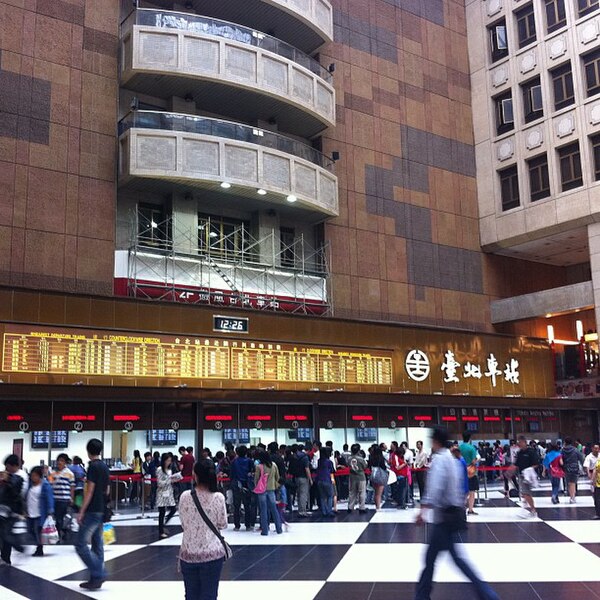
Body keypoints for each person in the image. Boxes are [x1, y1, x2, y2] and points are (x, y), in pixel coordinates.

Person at [415, 426, 499, 600]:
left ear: (435, 441)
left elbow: (435, 488)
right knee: (448, 559)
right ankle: (486, 594)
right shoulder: (452, 458)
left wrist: (423, 509)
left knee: (436, 559)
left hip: (444, 516)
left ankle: (487, 595)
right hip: (453, 513)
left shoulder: (439, 460)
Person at [178, 459, 228, 600]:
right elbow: (223, 524)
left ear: (195, 475)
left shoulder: (185, 496)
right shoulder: (218, 497)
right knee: (209, 595)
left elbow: (183, 523)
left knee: (191, 595)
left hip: (188, 553)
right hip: (211, 554)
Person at [75, 438, 110, 590]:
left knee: (80, 544)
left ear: (88, 451)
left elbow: (89, 491)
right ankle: (96, 578)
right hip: (101, 508)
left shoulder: (92, 467)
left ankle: (99, 572)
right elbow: (107, 490)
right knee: (97, 543)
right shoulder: (104, 466)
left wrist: (82, 510)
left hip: (92, 510)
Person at [0, 454, 25, 565]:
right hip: (1, 509)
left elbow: (16, 494)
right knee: (4, 534)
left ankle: (6, 558)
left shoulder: (18, 479)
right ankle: (5, 557)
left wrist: (7, 481)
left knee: (5, 534)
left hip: (11, 511)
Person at [26, 466, 54, 557]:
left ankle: (39, 548)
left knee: (37, 531)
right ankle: (39, 545)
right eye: (32, 476)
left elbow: (50, 498)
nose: (33, 478)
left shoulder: (45, 485)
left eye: (35, 476)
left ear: (39, 476)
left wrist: (50, 511)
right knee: (30, 530)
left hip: (39, 513)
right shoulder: (30, 485)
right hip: (30, 511)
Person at [509, 435, 539, 518]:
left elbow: (536, 464)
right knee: (524, 493)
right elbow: (516, 464)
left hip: (529, 476)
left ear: (525, 442)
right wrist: (509, 472)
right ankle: (526, 509)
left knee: (526, 493)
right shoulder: (519, 453)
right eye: (518, 442)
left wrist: (528, 470)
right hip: (522, 475)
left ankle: (533, 510)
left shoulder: (531, 452)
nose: (519, 444)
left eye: (520, 442)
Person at [254, 451, 282, 536]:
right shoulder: (274, 465)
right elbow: (278, 477)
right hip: (271, 489)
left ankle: (265, 530)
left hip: (262, 490)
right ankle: (279, 529)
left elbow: (256, 479)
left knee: (263, 510)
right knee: (274, 509)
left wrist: (257, 487)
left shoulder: (259, 467)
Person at [157, 453, 183, 539]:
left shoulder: (169, 470)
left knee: (173, 509)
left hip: (169, 492)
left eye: (170, 461)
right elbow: (159, 483)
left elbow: (169, 481)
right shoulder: (159, 470)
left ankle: (164, 524)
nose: (169, 462)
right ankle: (161, 530)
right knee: (162, 512)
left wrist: (174, 479)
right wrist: (169, 480)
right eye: (167, 460)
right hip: (161, 493)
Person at [50, 453, 75, 541]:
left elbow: (72, 487)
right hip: (55, 498)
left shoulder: (69, 473)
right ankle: (60, 532)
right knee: (57, 517)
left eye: (62, 461)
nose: (59, 462)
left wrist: (72, 498)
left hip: (64, 498)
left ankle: (61, 532)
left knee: (62, 518)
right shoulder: (53, 473)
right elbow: (50, 484)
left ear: (65, 462)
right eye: (58, 460)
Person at [230, 445, 254, 531]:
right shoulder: (250, 461)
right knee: (247, 505)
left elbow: (231, 475)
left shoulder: (234, 462)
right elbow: (253, 472)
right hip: (247, 484)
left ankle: (237, 525)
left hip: (236, 484)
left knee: (237, 506)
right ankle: (248, 525)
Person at [291, 444, 312, 517]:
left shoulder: (294, 456)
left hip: (296, 477)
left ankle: (300, 510)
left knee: (299, 494)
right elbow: (307, 469)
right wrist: (310, 479)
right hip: (303, 478)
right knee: (303, 494)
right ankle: (303, 511)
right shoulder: (305, 457)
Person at [561, 437, 584, 503]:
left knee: (568, 483)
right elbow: (581, 458)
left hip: (566, 468)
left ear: (565, 442)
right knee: (573, 483)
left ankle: (571, 496)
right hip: (575, 468)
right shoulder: (575, 450)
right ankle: (572, 497)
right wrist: (583, 466)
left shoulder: (562, 450)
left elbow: (560, 458)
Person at [315, 448, 335, 517]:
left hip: (319, 480)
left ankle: (324, 511)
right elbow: (332, 471)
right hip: (327, 479)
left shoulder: (319, 461)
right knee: (330, 496)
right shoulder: (329, 462)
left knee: (322, 497)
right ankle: (329, 511)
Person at [348, 443, 368, 513]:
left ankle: (350, 507)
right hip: (361, 477)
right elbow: (365, 466)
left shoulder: (349, 458)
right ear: (358, 450)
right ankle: (362, 508)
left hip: (352, 477)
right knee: (362, 493)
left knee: (352, 492)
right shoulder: (361, 459)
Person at [368, 446, 388, 511]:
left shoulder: (371, 457)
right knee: (379, 494)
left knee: (375, 492)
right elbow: (384, 467)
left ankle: (377, 506)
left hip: (373, 475)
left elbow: (369, 466)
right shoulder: (381, 458)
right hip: (380, 476)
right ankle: (378, 507)